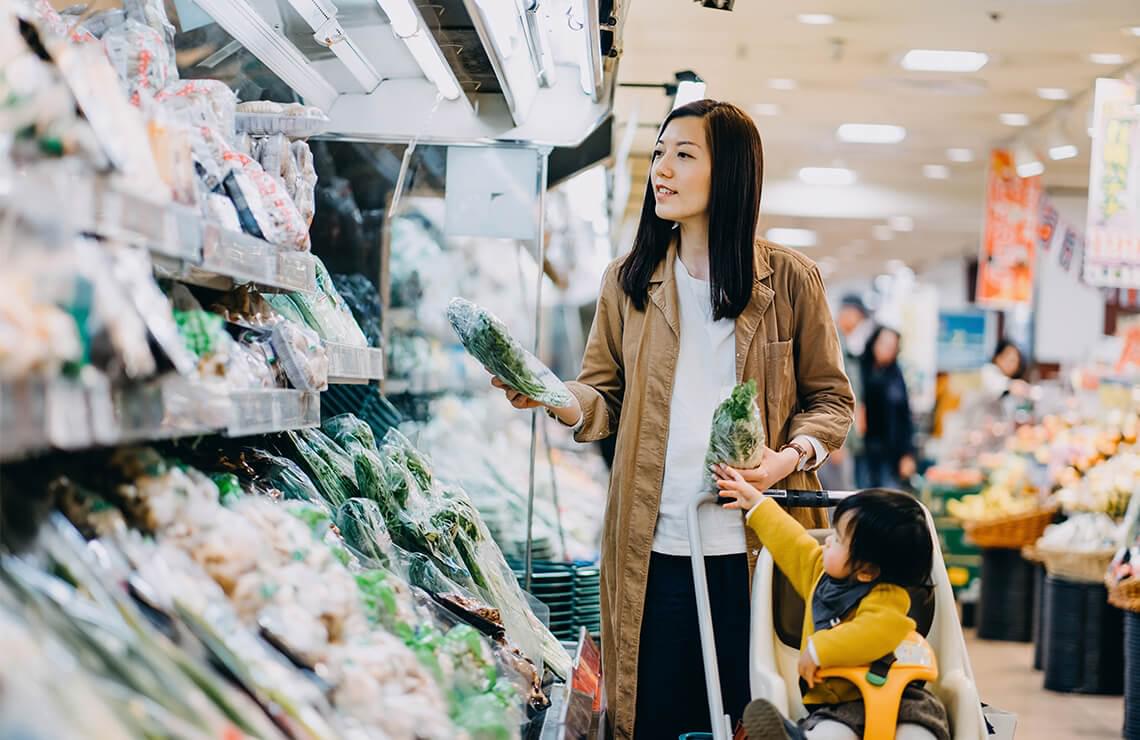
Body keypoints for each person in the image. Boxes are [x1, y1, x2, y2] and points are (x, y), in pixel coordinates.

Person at [490, 99, 854, 739]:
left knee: (757, 719)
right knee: (656, 716)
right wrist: (554, 396)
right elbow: (602, 397)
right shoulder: (628, 282)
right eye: (659, 153)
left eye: (684, 154)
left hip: (759, 553)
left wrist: (788, 458)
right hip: (652, 548)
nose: (662, 168)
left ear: (731, 171)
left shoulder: (791, 282)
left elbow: (831, 401)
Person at [713, 473, 950, 740]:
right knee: (830, 733)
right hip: (837, 706)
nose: (826, 539)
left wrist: (819, 650)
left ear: (867, 571)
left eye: (837, 539)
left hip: (900, 698)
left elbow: (875, 632)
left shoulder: (888, 597)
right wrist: (756, 503)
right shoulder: (818, 574)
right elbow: (790, 541)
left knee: (917, 734)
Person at [819, 295, 874, 490]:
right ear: (849, 313)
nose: (859, 324)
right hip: (836, 440)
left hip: (842, 438)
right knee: (837, 498)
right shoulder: (833, 341)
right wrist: (834, 442)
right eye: (859, 318)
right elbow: (830, 393)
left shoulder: (841, 341)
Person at [860, 326, 916, 489]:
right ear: (874, 342)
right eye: (884, 344)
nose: (887, 350)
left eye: (892, 347)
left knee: (887, 497)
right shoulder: (859, 368)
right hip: (861, 450)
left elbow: (904, 416)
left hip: (889, 451)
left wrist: (908, 454)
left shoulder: (896, 375)